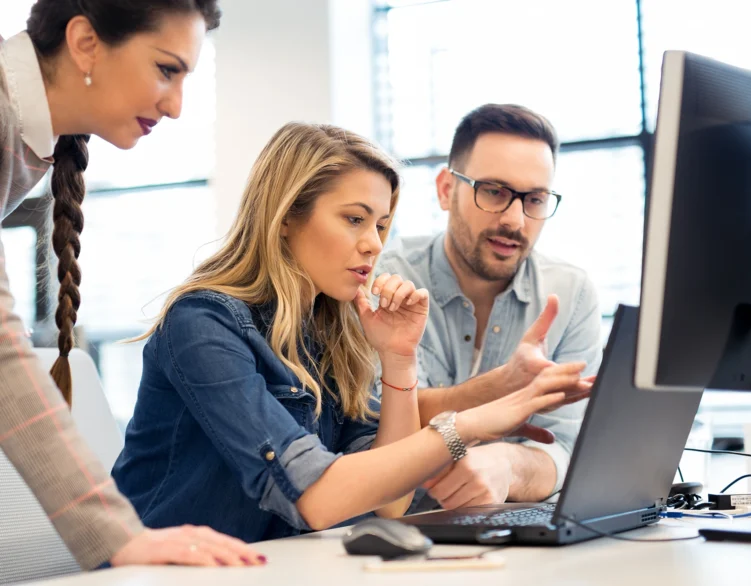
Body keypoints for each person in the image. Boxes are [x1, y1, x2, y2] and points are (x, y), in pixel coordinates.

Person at [111, 122, 590, 541]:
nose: (374, 243)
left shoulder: (328, 332)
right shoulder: (202, 323)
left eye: (381, 225)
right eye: (355, 219)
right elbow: (315, 497)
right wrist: (464, 425)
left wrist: (398, 360)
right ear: (285, 218)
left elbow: (391, 502)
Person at [0, 0, 265, 569]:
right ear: (85, 42)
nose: (175, 107)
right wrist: (118, 536)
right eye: (166, 69)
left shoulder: (30, 131)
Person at [376, 103, 602, 511]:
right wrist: (506, 386)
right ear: (446, 190)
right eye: (494, 192)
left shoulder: (572, 293)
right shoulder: (387, 283)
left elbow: (571, 450)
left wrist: (509, 465)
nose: (515, 220)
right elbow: (388, 423)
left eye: (534, 199)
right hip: (398, 535)